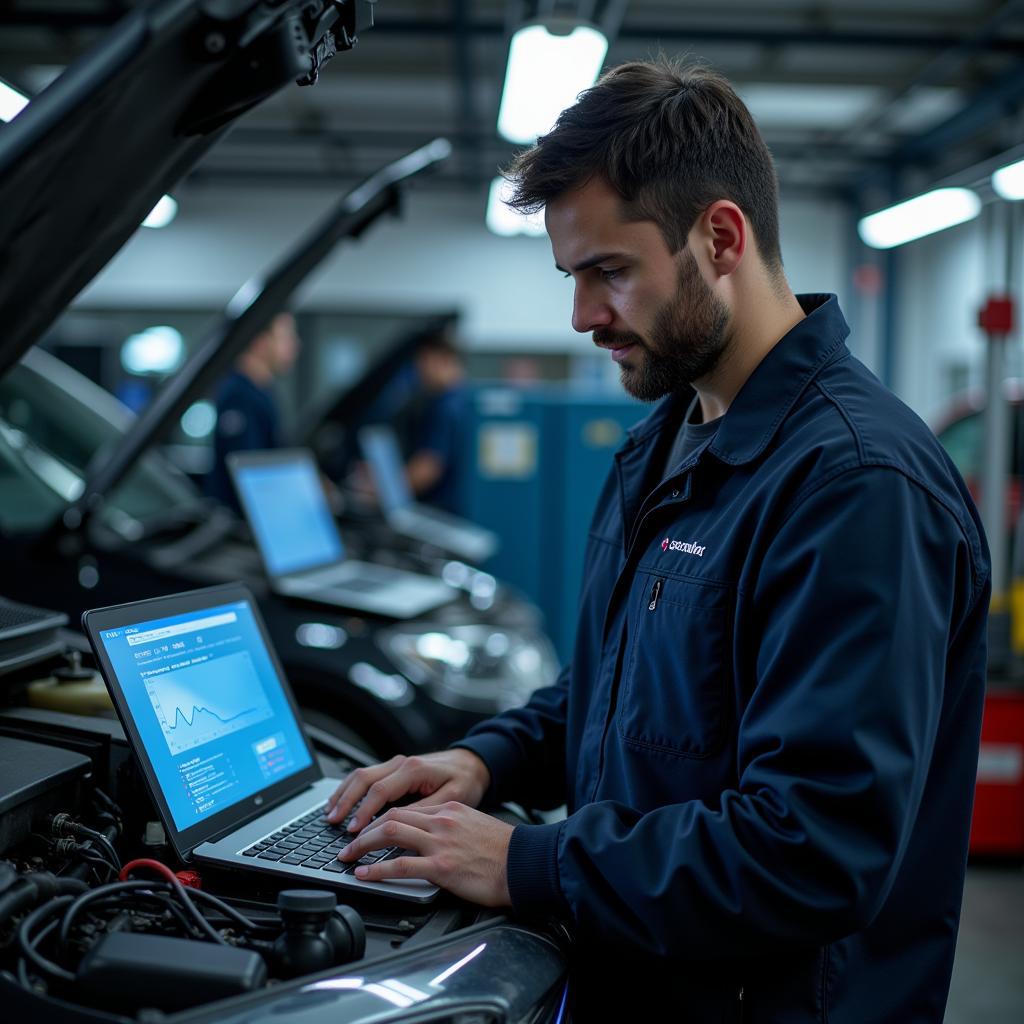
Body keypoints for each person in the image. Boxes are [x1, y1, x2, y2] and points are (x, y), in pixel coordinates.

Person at [324, 59, 990, 1021]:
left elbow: (813, 850)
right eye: (573, 275)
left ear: (721, 237)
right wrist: (490, 762)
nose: (583, 316)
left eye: (611, 272)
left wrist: (527, 860)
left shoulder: (855, 486)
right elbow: (625, 693)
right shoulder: (664, 446)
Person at [205, 311, 300, 510]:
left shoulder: (262, 392)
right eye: (286, 337)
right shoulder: (238, 395)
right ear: (260, 342)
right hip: (239, 525)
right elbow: (250, 473)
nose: (296, 345)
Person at [398, 329, 468, 513]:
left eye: (422, 361)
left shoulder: (445, 406)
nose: (418, 370)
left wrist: (382, 490)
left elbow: (428, 467)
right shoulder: (462, 400)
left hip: (443, 512)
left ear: (439, 359)